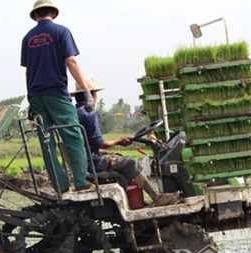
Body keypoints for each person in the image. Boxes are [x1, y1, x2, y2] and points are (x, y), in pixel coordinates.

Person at [21, 0, 94, 193]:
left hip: (35, 95)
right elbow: (71, 60)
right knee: (73, 136)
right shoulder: (61, 31)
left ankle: (61, 186)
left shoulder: (28, 38)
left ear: (36, 15)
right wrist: (86, 90)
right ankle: (81, 182)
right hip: (56, 93)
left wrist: (31, 99)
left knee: (47, 142)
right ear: (52, 13)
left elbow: (28, 72)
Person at [71, 77, 180, 207]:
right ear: (89, 95)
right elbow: (98, 142)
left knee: (119, 160)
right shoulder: (89, 114)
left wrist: (108, 152)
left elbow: (85, 145)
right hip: (94, 162)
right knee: (132, 163)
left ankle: (130, 203)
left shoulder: (73, 114)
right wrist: (119, 141)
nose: (97, 98)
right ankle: (156, 197)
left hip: (86, 160)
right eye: (95, 94)